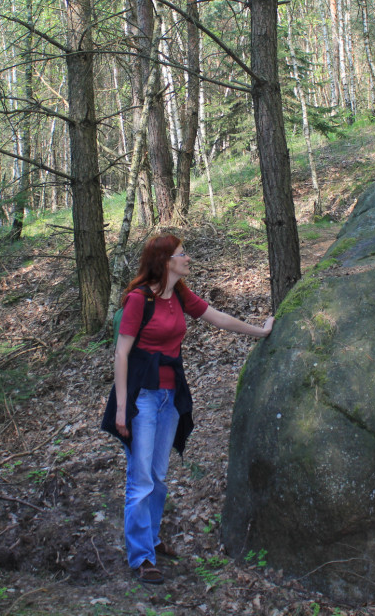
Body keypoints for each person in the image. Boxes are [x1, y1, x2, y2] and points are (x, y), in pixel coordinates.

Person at [101, 234, 274, 584]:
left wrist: (261, 331)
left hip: (169, 397)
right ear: (165, 261)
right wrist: (122, 408)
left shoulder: (179, 295)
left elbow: (219, 318)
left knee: (159, 476)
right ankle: (141, 557)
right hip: (141, 399)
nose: (188, 258)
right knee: (141, 477)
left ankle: (150, 539)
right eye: (182, 254)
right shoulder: (139, 300)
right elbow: (121, 354)